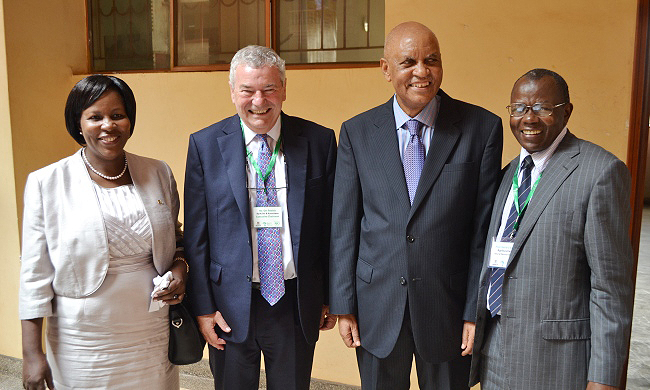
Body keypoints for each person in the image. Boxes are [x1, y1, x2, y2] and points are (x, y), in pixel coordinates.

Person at [329, 21, 503, 390]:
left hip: (449, 308)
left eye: (432, 60)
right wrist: (343, 304)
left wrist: (475, 310)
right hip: (377, 305)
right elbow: (345, 225)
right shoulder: (357, 133)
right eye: (408, 62)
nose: (422, 72)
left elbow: (482, 232)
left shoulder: (482, 128)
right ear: (386, 69)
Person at [469, 69, 634, 390]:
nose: (528, 118)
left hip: (557, 360)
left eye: (543, 108)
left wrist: (603, 378)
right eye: (518, 108)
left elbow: (611, 289)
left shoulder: (600, 172)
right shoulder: (508, 174)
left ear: (566, 111)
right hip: (497, 350)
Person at [184, 45, 337, 390]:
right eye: (247, 90)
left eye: (269, 89)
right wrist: (203, 308)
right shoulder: (205, 145)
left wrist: (329, 296)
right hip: (229, 306)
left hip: (294, 302)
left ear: (283, 90)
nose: (258, 101)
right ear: (232, 93)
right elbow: (196, 238)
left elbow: (331, 228)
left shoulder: (319, 141)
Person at [19, 75, 187, 389]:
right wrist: (31, 353)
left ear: (129, 120)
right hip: (83, 341)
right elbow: (34, 273)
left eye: (117, 115)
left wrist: (181, 269)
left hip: (152, 335)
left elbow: (176, 240)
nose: (108, 125)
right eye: (95, 117)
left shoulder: (158, 171)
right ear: (78, 124)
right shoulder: (47, 183)